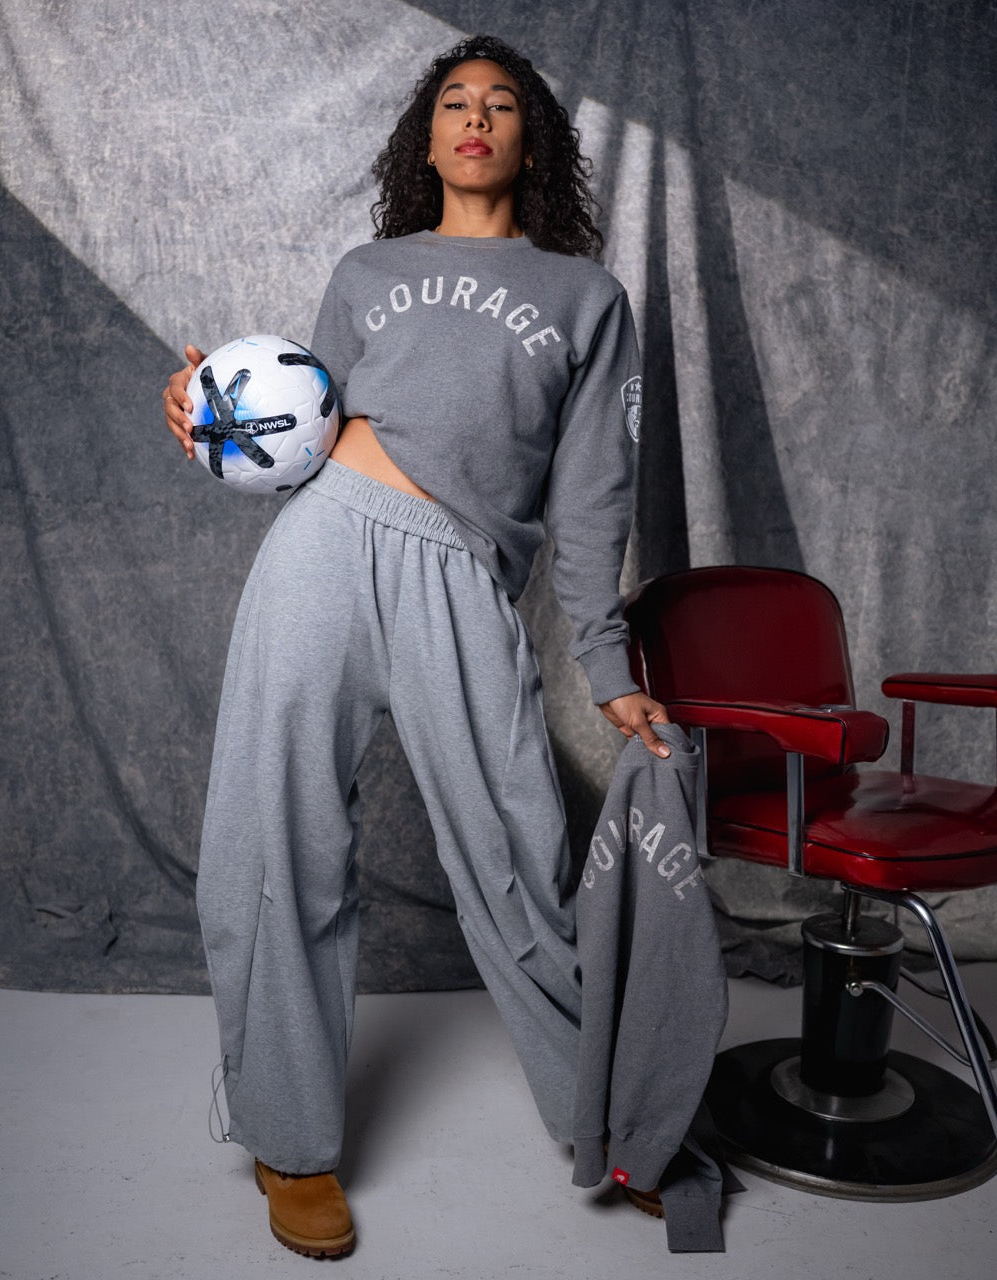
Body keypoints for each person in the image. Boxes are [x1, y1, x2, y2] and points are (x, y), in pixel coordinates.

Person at [162, 34, 670, 1259]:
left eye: (501, 104)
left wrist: (607, 671)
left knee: (515, 853)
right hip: (325, 542)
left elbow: (596, 500)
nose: (476, 118)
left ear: (531, 140)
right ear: (427, 138)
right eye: (454, 103)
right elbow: (292, 420)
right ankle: (291, 1141)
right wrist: (204, 406)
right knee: (272, 836)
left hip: (460, 573)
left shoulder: (586, 300)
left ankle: (600, 1112)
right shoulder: (367, 267)